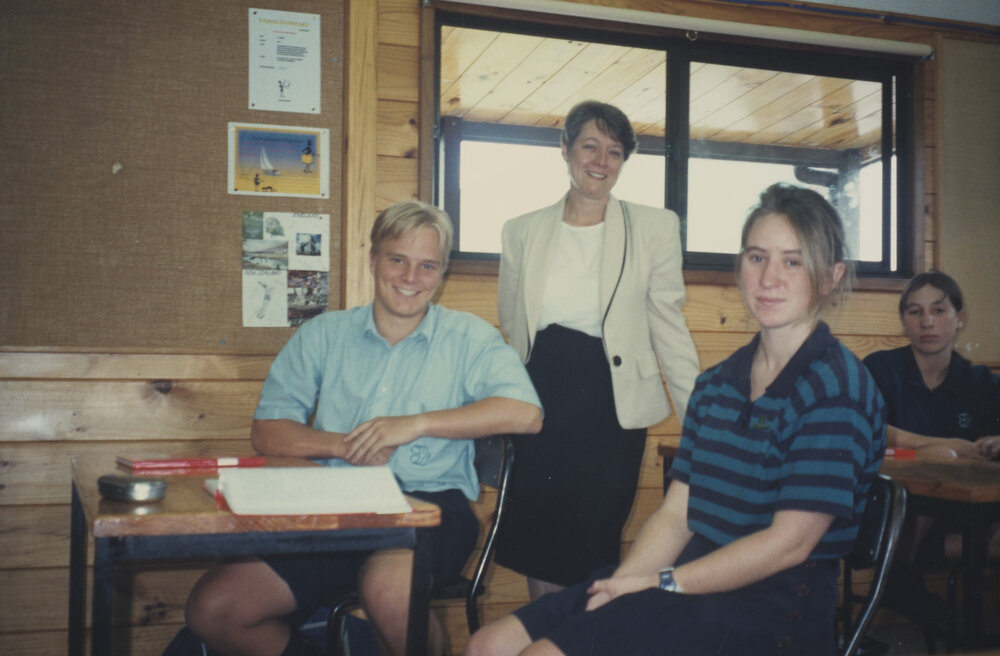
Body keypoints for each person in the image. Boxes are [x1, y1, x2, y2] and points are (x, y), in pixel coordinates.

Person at [466, 183, 886, 656]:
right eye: (756, 257)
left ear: (831, 277)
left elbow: (789, 544)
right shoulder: (716, 385)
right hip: (686, 580)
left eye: (793, 261)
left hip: (772, 608)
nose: (770, 278)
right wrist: (621, 587)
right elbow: (676, 514)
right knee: (488, 645)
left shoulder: (835, 387)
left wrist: (661, 583)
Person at [182, 200, 543, 656]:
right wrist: (346, 445)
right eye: (398, 260)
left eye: (427, 265)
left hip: (430, 509)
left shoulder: (471, 338)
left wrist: (412, 425)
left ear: (442, 272)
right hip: (334, 506)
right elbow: (268, 431)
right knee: (214, 609)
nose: (411, 278)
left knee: (389, 593)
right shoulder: (324, 334)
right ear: (374, 260)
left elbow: (526, 414)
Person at [494, 100, 700, 600]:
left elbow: (667, 324)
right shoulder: (522, 230)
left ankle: (578, 638)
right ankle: (545, 628)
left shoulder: (654, 227)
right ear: (564, 149)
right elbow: (512, 329)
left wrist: (702, 416)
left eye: (614, 152)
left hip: (611, 404)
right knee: (537, 536)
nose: (601, 161)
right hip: (540, 396)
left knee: (592, 539)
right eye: (590, 145)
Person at [862, 270, 1000, 626]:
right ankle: (900, 579)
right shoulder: (880, 369)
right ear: (903, 322)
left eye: (938, 311)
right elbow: (870, 432)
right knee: (934, 461)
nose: (927, 322)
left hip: (962, 517)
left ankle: (972, 624)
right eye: (914, 311)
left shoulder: (981, 382)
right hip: (890, 502)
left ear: (959, 320)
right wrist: (938, 448)